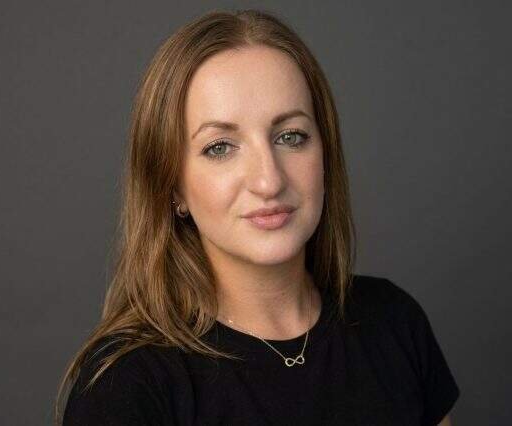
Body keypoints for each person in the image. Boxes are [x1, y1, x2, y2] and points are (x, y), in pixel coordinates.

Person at [55, 9, 460, 426]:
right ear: (173, 186)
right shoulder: (127, 384)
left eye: (291, 136)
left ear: (325, 153)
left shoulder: (394, 322)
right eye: (220, 147)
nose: (269, 180)